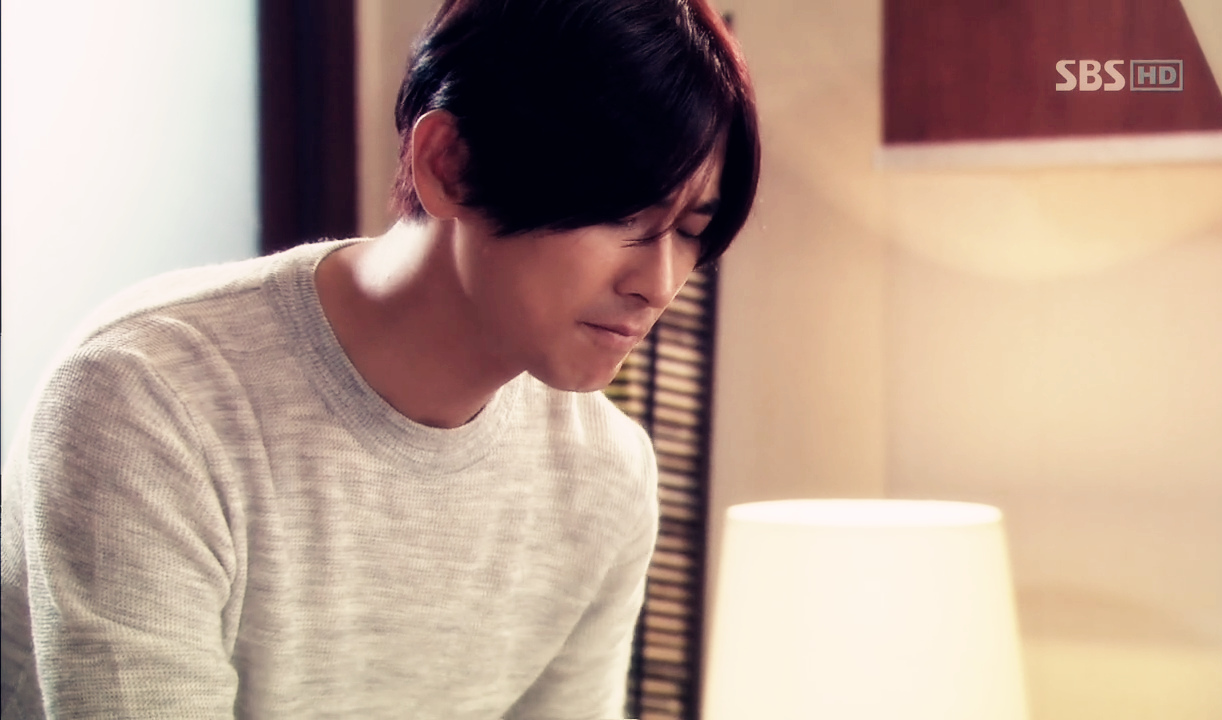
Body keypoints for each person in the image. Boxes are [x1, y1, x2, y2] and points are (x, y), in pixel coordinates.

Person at [0, 0, 759, 717]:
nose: (660, 284)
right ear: (449, 163)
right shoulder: (147, 398)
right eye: (624, 213)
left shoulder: (606, 471)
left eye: (690, 230)